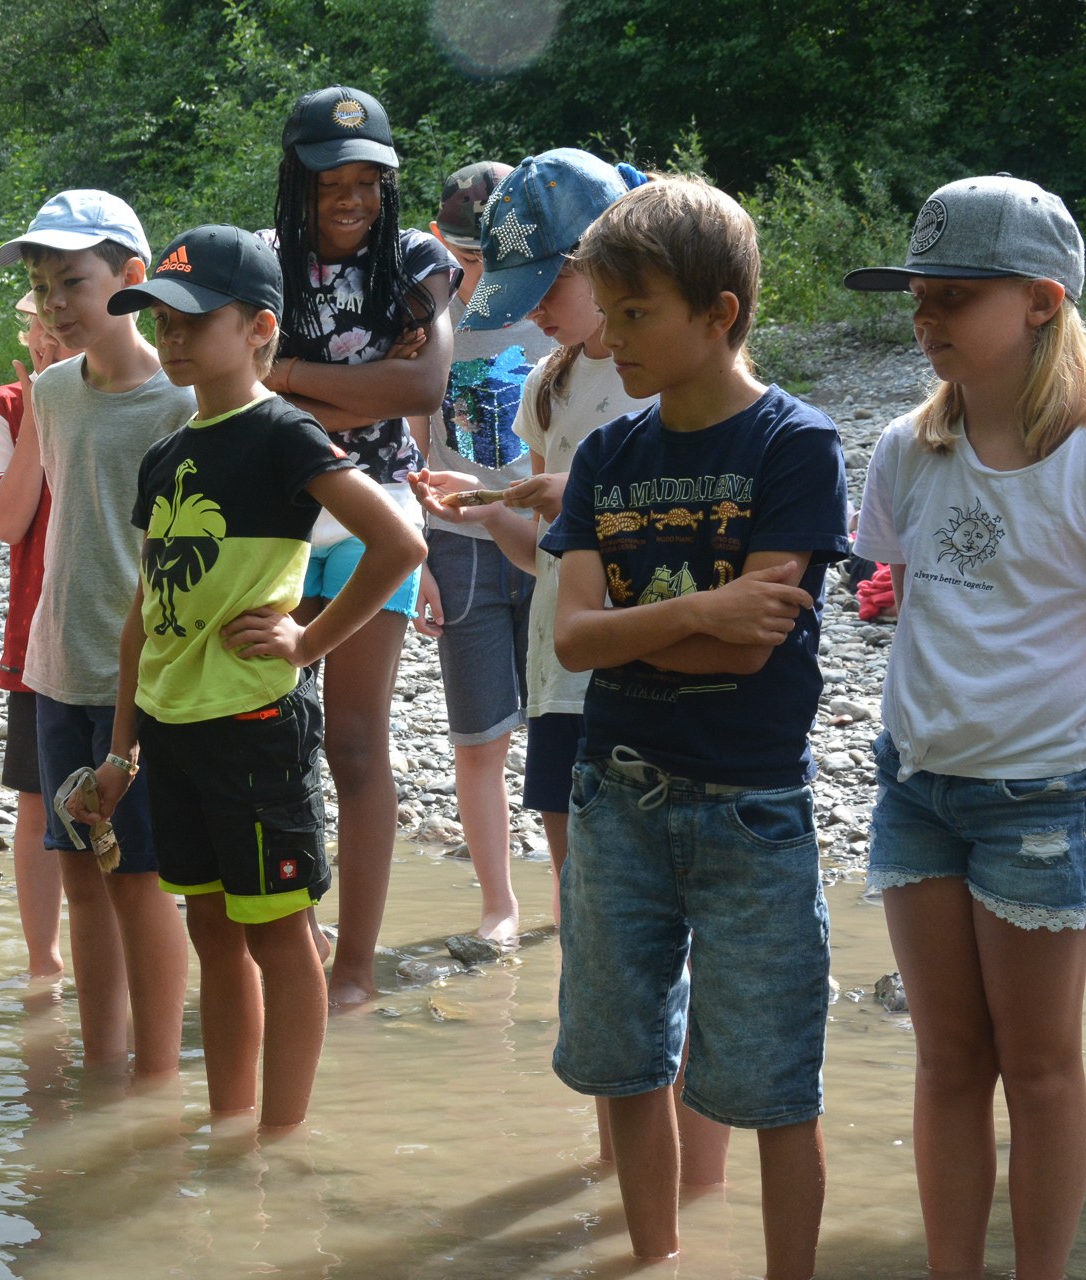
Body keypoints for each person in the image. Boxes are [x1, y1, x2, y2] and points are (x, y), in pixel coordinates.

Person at [540, 177, 847, 1278]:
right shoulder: (606, 456)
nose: (612, 337)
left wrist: (646, 629)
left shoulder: (795, 443)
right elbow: (572, 639)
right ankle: (655, 1260)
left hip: (751, 810)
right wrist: (700, 611)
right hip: (615, 798)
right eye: (608, 310)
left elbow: (751, 645)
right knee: (624, 1064)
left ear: (720, 313)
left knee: (775, 1083)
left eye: (637, 313)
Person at [413, 149, 731, 1186]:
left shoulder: (667, 381)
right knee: (592, 928)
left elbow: (680, 532)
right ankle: (619, 1164)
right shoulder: (549, 389)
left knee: (669, 931)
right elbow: (541, 559)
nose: (537, 315)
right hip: (562, 686)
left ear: (613, 264)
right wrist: (480, 509)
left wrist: (568, 502)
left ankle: (695, 1174)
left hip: (647, 683)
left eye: (549, 288)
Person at [79, 224, 425, 1130]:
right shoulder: (167, 456)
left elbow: (399, 543)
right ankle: (230, 1129)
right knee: (210, 931)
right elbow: (143, 614)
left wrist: (308, 644)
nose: (173, 336)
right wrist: (121, 751)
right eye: (162, 319)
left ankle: (281, 1137)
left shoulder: (284, 433)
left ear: (261, 328)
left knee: (277, 933)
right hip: (172, 728)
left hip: (253, 723)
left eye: (195, 319)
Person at [847, 176, 1086, 1280]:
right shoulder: (908, 447)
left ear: (1042, 301)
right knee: (947, 1060)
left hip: (1046, 796)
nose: (926, 317)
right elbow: (907, 601)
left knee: (1040, 1068)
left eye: (954, 295)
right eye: (918, 297)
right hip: (917, 786)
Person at [259, 86, 454, 1007]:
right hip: (279, 518)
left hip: (380, 520)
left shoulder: (416, 260)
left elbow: (420, 388)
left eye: (369, 181)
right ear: (294, 180)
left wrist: (290, 376)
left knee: (356, 745)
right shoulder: (259, 262)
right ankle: (296, 934)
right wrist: (358, 384)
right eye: (329, 181)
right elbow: (241, 393)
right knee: (275, 734)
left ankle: (357, 968)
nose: (351, 199)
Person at [0, 190, 192, 1076]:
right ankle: (103, 1067)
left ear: (132, 278)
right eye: (43, 286)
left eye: (73, 280)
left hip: (138, 677)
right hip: (55, 665)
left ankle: (155, 1076)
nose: (55, 303)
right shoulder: (49, 391)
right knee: (81, 875)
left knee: (139, 879)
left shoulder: (181, 401)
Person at [410, 159, 556, 945]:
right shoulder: (430, 317)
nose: (484, 274)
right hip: (460, 543)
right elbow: (412, 439)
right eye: (468, 257)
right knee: (479, 736)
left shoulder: (552, 310)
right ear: (441, 241)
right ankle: (499, 905)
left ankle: (570, 893)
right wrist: (418, 558)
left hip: (548, 536)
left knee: (560, 725)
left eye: (497, 258)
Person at [0, 292, 70, 983]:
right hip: (39, 639)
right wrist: (39, 411)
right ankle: (43, 970)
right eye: (38, 322)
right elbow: (8, 521)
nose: (48, 336)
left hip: (131, 638)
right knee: (38, 801)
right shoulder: (3, 407)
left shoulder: (144, 390)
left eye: (61, 323)